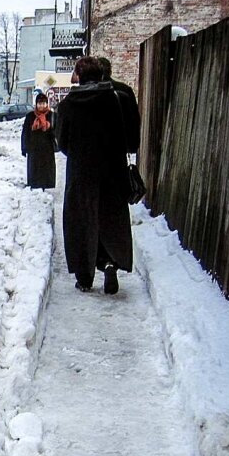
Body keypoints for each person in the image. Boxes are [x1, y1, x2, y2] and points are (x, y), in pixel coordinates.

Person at [56, 56, 132, 295]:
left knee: (81, 221)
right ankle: (109, 262)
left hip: (81, 173)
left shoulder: (68, 104)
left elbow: (63, 142)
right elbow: (123, 138)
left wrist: (80, 154)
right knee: (109, 218)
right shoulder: (113, 100)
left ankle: (85, 276)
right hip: (111, 171)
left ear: (80, 75)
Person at [98, 56, 140, 153]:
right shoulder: (125, 89)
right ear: (110, 71)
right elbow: (134, 119)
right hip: (120, 146)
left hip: (97, 148)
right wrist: (133, 145)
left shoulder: (89, 93)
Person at [21, 93, 56, 190]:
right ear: (36, 104)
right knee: (34, 169)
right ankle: (34, 186)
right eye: (40, 103)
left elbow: (57, 130)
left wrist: (51, 127)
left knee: (47, 169)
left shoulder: (52, 116)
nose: (42, 106)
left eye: (44, 103)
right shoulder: (30, 116)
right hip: (34, 148)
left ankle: (47, 186)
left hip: (47, 148)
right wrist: (24, 147)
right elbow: (25, 132)